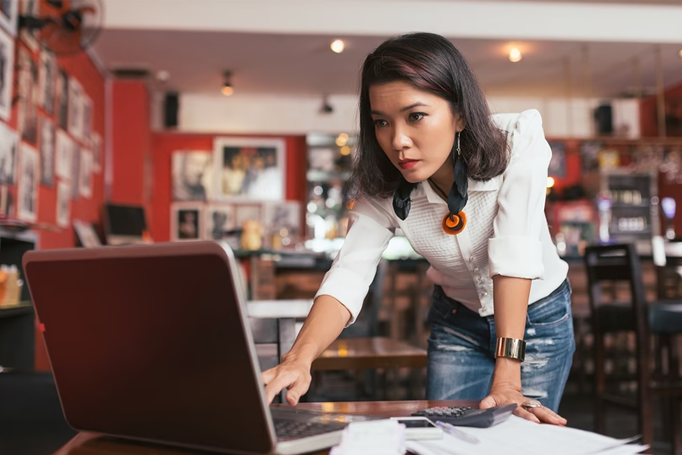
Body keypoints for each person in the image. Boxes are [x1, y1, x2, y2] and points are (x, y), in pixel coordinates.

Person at [262, 32, 574, 425]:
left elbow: (515, 250)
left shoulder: (516, 141)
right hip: (457, 320)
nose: (398, 141)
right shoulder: (382, 183)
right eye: (381, 122)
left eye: (416, 116)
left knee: (520, 443)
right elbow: (349, 273)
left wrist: (508, 374)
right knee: (446, 440)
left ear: (459, 113)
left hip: (535, 319)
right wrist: (298, 358)